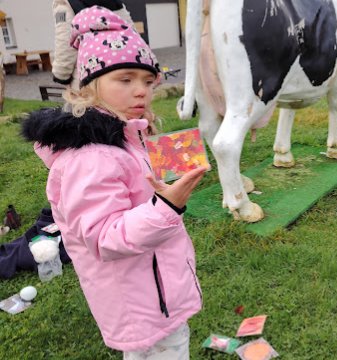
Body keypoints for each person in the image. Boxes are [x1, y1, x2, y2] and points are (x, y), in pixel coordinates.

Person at [22, 6, 206, 359]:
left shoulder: (124, 136)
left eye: (147, 81)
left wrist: (167, 170)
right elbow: (104, 238)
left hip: (155, 290)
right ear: (90, 85)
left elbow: (136, 189)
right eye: (125, 79)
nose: (141, 92)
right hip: (140, 302)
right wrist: (167, 205)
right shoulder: (90, 158)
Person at [52, 0, 133, 89]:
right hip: (122, 71)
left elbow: (65, 43)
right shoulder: (116, 3)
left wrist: (61, 75)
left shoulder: (66, 4)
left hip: (89, 77)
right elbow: (132, 35)